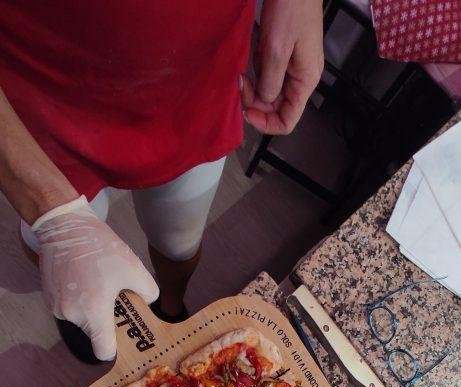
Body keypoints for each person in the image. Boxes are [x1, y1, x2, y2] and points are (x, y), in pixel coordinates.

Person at [0, 0, 323, 362]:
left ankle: (170, 307)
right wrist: (52, 214)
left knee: (179, 242)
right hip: (41, 92)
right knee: (53, 241)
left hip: (195, 82)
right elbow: (51, 222)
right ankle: (84, 309)